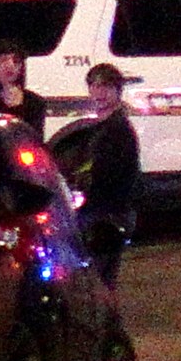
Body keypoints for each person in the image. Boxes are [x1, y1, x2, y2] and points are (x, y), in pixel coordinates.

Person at [60, 62, 142, 289]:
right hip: (100, 213)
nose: (99, 93)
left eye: (105, 87)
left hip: (108, 215)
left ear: (118, 90)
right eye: (94, 87)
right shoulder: (100, 126)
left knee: (98, 282)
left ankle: (106, 322)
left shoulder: (118, 131)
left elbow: (111, 176)